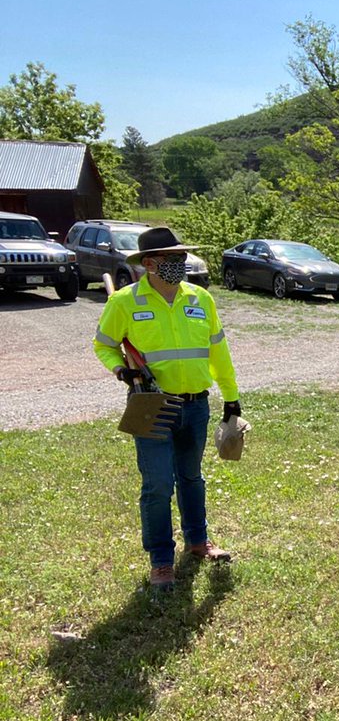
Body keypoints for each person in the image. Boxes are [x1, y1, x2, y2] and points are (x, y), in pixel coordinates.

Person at [92, 227, 240, 590]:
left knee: (191, 478)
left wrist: (232, 396)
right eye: (172, 259)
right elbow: (103, 346)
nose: (180, 264)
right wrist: (120, 370)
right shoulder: (124, 302)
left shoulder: (201, 299)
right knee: (158, 483)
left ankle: (197, 541)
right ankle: (161, 560)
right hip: (151, 404)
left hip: (196, 405)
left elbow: (218, 351)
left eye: (181, 257)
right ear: (149, 264)